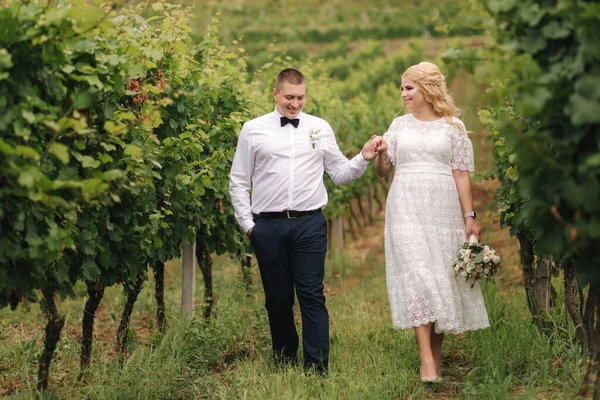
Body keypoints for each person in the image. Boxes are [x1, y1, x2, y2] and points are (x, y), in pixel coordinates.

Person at [229, 68, 378, 376]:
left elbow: (339, 173)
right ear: (275, 94)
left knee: (312, 295)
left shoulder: (319, 128)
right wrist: (248, 225)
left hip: (310, 223)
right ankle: (284, 361)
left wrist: (362, 158)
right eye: (289, 98)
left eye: (300, 98)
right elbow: (239, 179)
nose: (295, 104)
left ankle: (317, 368)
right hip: (267, 226)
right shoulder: (253, 130)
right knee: (278, 300)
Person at [372, 61, 490, 382]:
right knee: (418, 276)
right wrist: (381, 152)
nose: (403, 94)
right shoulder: (398, 126)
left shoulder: (453, 127)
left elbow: (461, 174)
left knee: (440, 277)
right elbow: (385, 170)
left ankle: (435, 358)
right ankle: (425, 358)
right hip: (405, 205)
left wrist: (470, 217)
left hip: (443, 208)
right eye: (402, 88)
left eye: (408, 87)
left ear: (426, 89)